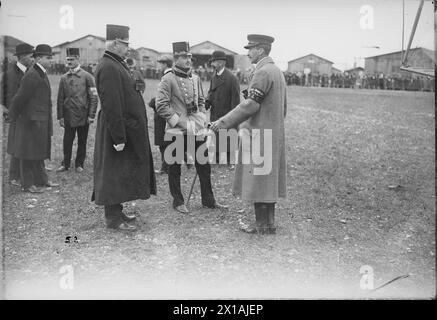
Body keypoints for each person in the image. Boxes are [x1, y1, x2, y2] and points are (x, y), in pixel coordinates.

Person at [210, 34, 287, 234]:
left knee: (259, 182)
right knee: (268, 182)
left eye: (251, 49)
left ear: (261, 50)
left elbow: (251, 105)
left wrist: (223, 122)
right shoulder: (277, 71)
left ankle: (261, 226)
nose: (248, 52)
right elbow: (283, 108)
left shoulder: (262, 72)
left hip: (260, 135)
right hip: (273, 133)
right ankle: (269, 225)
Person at [92, 24, 156, 231]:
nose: (128, 48)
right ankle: (113, 219)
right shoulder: (109, 66)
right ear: (116, 43)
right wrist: (118, 137)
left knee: (119, 171)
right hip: (117, 130)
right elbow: (112, 105)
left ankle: (117, 211)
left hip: (124, 127)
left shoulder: (116, 63)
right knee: (113, 173)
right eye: (126, 44)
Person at [155, 41, 227, 214]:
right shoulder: (168, 79)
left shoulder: (195, 78)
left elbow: (201, 101)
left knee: (204, 166)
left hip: (197, 129)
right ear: (175, 58)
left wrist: (201, 117)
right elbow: (162, 106)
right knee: (174, 168)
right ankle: (178, 201)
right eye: (183, 57)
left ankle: (208, 200)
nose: (188, 60)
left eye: (189, 56)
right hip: (177, 130)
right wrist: (180, 123)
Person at [9, 44, 60, 193]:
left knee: (38, 151)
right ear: (38, 58)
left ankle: (42, 180)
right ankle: (28, 184)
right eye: (48, 58)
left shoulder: (40, 72)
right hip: (30, 121)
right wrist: (12, 116)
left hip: (39, 120)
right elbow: (20, 98)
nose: (51, 60)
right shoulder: (32, 75)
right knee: (27, 152)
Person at [56, 47, 98, 173]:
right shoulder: (64, 78)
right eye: (68, 59)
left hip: (83, 116)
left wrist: (91, 115)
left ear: (78, 59)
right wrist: (60, 116)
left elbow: (94, 97)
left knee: (82, 141)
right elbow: (59, 99)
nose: (69, 62)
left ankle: (79, 164)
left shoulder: (87, 76)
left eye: (72, 59)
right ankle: (65, 164)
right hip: (69, 116)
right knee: (67, 140)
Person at [3, 43, 35, 186]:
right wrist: (10, 113)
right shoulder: (10, 74)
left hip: (28, 115)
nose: (33, 58)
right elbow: (6, 97)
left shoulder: (29, 71)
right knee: (16, 145)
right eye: (30, 56)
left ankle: (23, 173)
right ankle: (13, 176)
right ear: (22, 57)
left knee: (25, 144)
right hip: (17, 115)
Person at [206, 50, 240, 167]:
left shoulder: (232, 78)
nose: (212, 64)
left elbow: (235, 101)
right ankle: (216, 158)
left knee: (229, 136)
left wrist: (233, 118)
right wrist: (205, 104)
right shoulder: (214, 77)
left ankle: (231, 161)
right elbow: (210, 94)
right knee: (216, 135)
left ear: (220, 63)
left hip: (227, 113)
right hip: (215, 112)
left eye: (213, 62)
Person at [148, 54, 174, 175]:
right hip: (168, 113)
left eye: (160, 63)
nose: (159, 66)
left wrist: (153, 103)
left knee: (163, 141)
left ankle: (165, 168)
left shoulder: (166, 77)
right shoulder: (171, 75)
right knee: (166, 140)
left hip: (163, 114)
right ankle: (168, 165)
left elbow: (164, 97)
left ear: (164, 64)